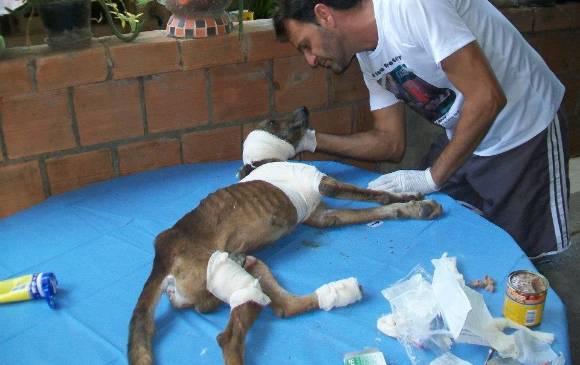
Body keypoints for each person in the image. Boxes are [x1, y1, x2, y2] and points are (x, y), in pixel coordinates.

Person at [274, 0, 569, 259]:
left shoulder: (410, 6)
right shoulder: (367, 55)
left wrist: (431, 178)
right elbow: (389, 142)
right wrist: (309, 141)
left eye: (306, 45)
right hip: (467, 136)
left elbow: (487, 98)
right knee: (442, 232)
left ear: (324, 14)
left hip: (523, 132)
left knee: (529, 267)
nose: (310, 61)